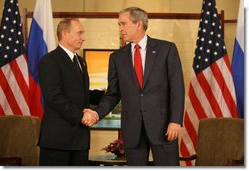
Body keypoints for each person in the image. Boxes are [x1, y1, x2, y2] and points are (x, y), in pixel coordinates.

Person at [83, 7, 185, 166]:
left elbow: (177, 88)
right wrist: (96, 114)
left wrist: (176, 121)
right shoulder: (116, 57)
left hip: (163, 127)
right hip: (133, 130)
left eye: (123, 23)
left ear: (138, 24)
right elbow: (113, 94)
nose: (120, 28)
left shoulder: (166, 49)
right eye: (119, 24)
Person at [38, 18, 103, 166]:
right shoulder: (50, 60)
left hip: (80, 140)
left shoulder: (81, 61)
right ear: (65, 33)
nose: (83, 38)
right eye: (79, 33)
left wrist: (109, 96)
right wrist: (81, 115)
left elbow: (81, 93)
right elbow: (54, 97)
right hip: (57, 141)